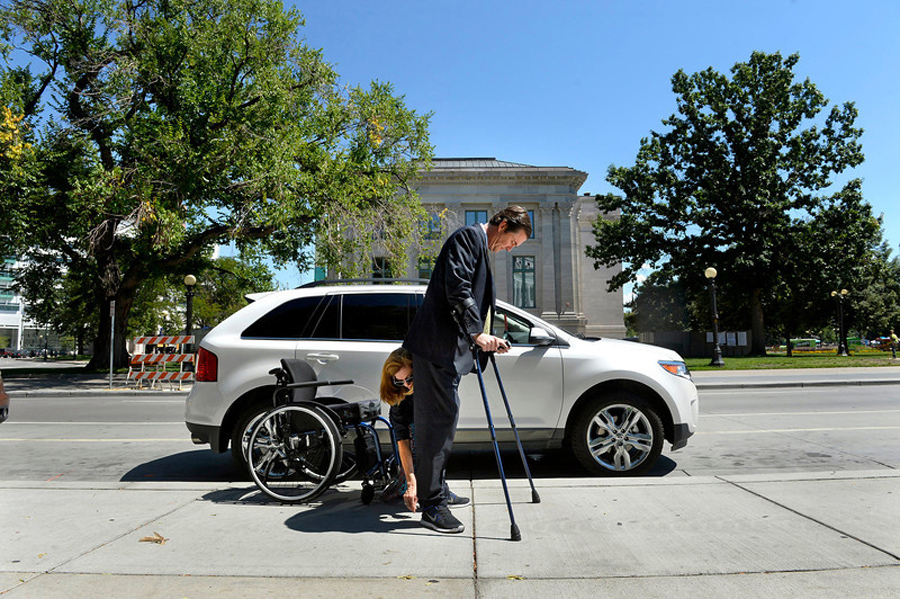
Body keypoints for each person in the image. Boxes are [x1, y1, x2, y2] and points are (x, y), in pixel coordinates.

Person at [403, 206, 531, 534]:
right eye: (513, 242)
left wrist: (485, 337)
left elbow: (474, 298)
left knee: (445, 421)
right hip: (436, 349)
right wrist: (476, 332)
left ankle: (437, 489)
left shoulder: (478, 245)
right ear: (502, 225)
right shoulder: (467, 238)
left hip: (448, 352)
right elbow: (457, 287)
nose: (511, 249)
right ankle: (432, 506)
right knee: (436, 426)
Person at [378, 347, 469, 512]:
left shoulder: (433, 385)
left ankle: (438, 488)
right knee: (416, 435)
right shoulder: (399, 399)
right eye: (399, 381)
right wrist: (411, 481)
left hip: (431, 429)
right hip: (413, 439)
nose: (406, 385)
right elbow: (402, 441)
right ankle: (414, 486)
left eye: (410, 378)